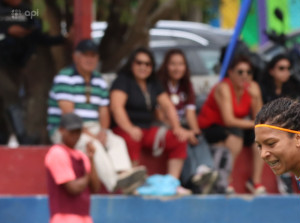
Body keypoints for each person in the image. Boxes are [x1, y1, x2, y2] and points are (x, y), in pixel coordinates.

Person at [47, 39, 147, 195]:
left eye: (93, 55)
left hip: (93, 127)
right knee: (95, 146)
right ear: (76, 57)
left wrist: (103, 131)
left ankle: (124, 175)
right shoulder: (64, 77)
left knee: (116, 141)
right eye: (85, 55)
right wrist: (92, 135)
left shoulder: (99, 80)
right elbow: (69, 116)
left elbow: (104, 111)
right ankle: (115, 184)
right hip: (68, 130)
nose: (90, 59)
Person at [109, 47, 191, 194]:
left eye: (147, 64)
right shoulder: (122, 81)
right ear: (131, 64)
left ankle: (172, 184)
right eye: (139, 63)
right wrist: (129, 128)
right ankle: (133, 184)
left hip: (147, 129)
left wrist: (177, 127)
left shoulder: (153, 83)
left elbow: (168, 106)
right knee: (131, 138)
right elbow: (117, 108)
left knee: (178, 139)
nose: (143, 67)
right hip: (124, 128)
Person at [0, 0, 67, 144]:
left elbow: (37, 34)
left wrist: (62, 39)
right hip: (1, 64)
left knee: (9, 100)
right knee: (11, 97)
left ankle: (6, 136)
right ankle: (21, 136)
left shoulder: (27, 10)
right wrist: (6, 31)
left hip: (16, 65)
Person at [197, 54, 265, 195]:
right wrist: (257, 125)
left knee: (261, 138)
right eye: (240, 72)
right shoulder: (224, 88)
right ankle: (226, 181)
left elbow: (260, 118)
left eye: (248, 72)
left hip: (234, 126)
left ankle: (255, 181)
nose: (244, 76)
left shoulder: (253, 88)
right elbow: (229, 120)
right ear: (231, 73)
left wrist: (256, 97)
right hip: (210, 127)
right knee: (235, 137)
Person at [156, 48, 218, 194]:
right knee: (182, 138)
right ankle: (191, 178)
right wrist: (182, 131)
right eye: (173, 64)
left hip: (182, 124)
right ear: (166, 66)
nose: (177, 68)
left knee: (197, 136)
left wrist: (194, 131)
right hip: (164, 125)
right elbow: (159, 115)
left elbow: (190, 113)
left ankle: (205, 171)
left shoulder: (186, 85)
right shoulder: (159, 84)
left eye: (181, 64)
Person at [258, 53, 300, 194]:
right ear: (271, 70)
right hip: (267, 128)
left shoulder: (292, 87)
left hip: (287, 128)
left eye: (288, 69)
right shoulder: (262, 88)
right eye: (281, 68)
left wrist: (295, 76)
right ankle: (285, 176)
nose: (286, 72)